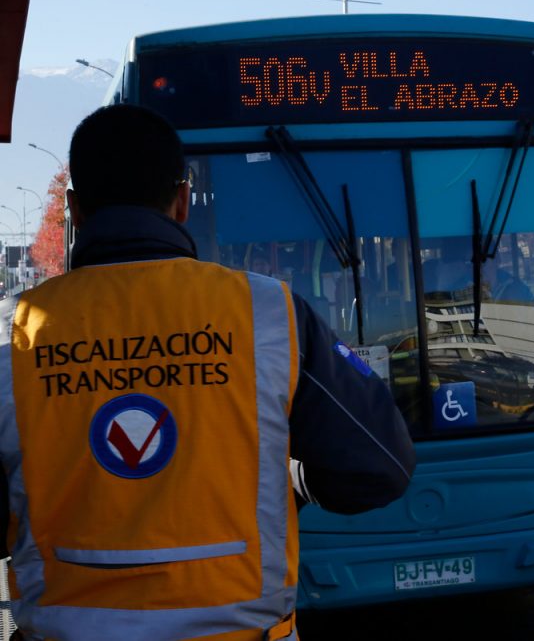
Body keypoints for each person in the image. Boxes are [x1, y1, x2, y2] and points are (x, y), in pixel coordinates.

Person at [0, 104, 416, 640]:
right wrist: (287, 481)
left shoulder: (14, 334)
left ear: (75, 210)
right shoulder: (271, 314)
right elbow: (380, 466)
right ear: (182, 201)